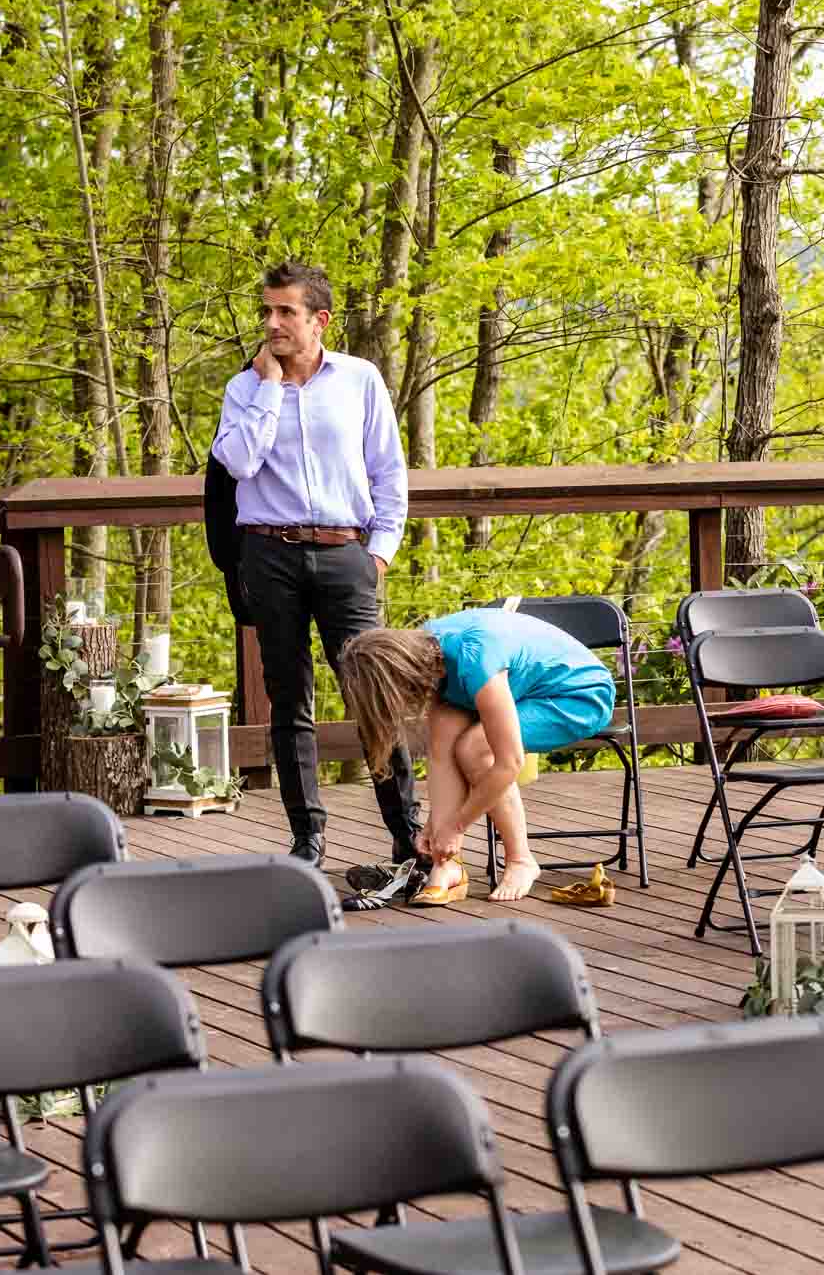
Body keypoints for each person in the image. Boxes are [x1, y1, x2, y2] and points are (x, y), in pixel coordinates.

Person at [209, 260, 420, 868]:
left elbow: (388, 472)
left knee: (372, 697)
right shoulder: (244, 389)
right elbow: (241, 463)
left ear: (318, 320)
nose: (272, 323)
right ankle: (308, 840)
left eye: (285, 312)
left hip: (345, 554)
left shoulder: (360, 379)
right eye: (267, 311)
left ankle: (407, 835)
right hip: (268, 554)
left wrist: (378, 553)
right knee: (288, 699)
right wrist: (269, 386)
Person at [338, 608, 617, 904]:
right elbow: (440, 758)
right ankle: (447, 866)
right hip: (522, 691)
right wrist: (436, 828)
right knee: (444, 730)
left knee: (475, 748)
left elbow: (509, 763)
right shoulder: (428, 655)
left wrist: (455, 827)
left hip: (578, 695)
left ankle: (521, 860)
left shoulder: (476, 660)